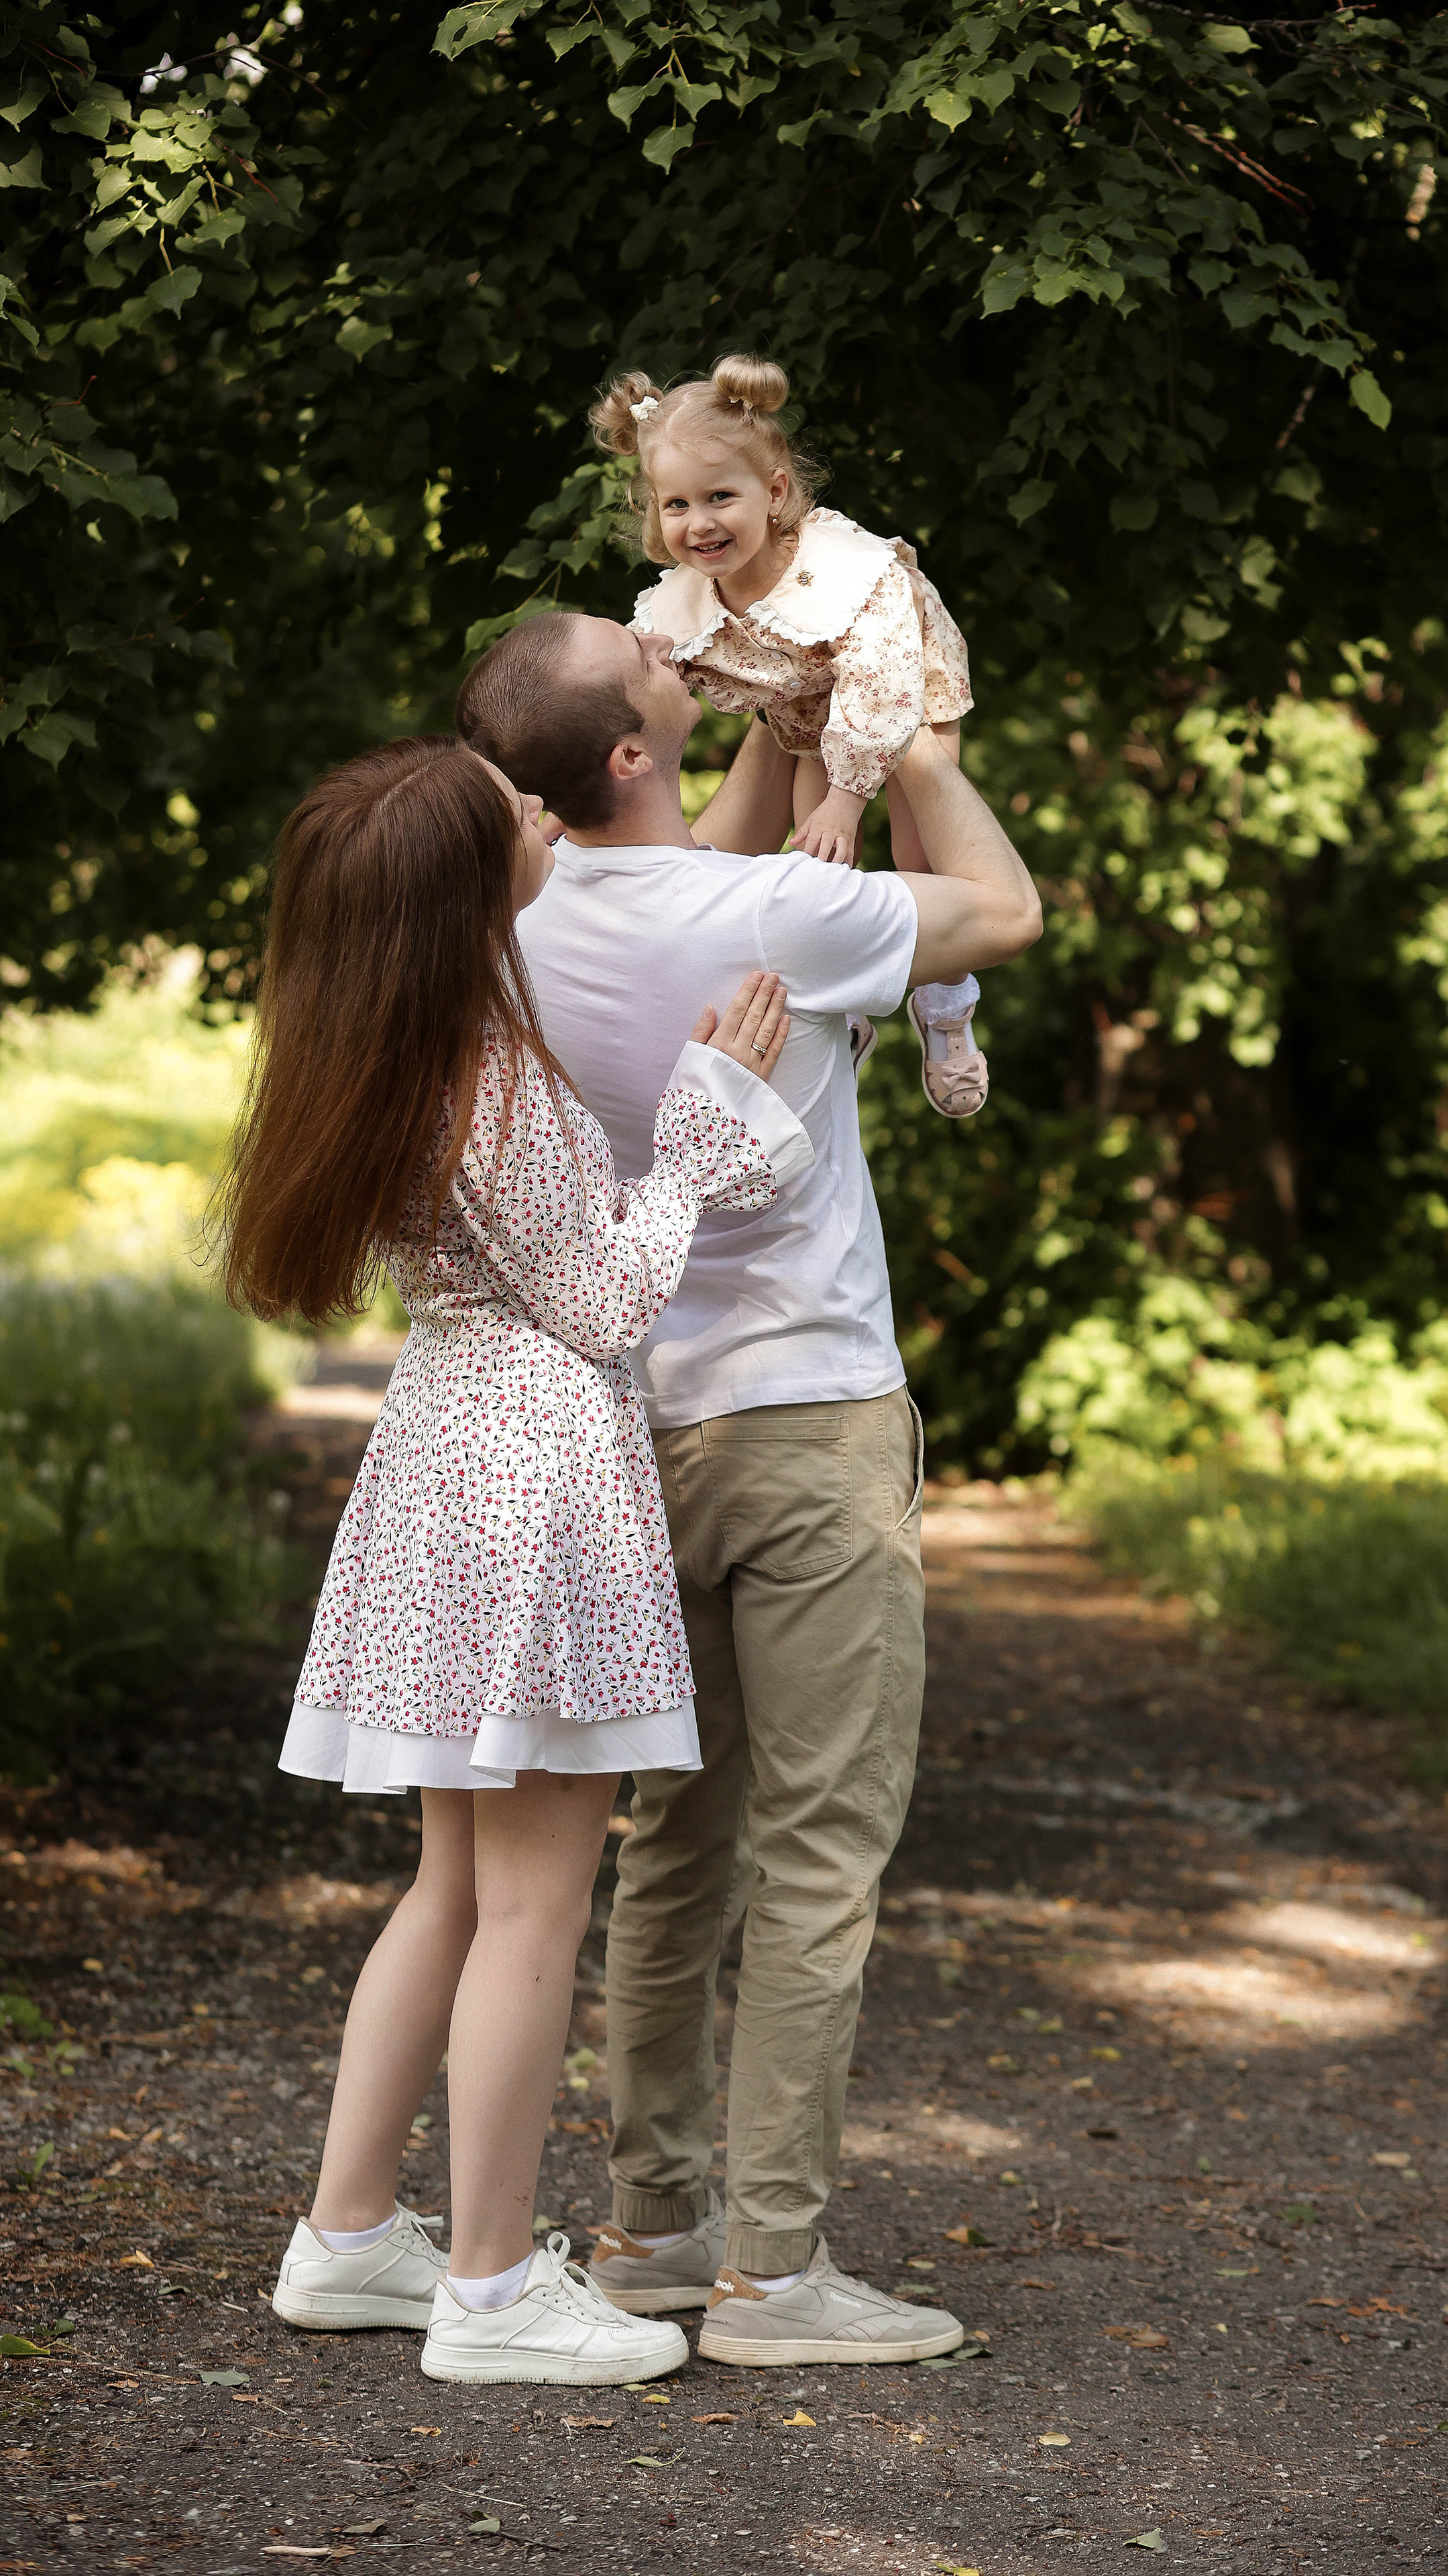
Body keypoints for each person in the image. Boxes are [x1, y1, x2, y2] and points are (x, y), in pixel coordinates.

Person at [456, 610, 1041, 2365]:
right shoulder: (775, 916)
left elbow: (680, 854)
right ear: (633, 752)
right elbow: (1003, 911)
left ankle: (653, 2230)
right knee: (818, 1847)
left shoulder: (520, 919)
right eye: (638, 656)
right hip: (802, 1421)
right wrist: (905, 733)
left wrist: (780, 736)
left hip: (623, 1422)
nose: (664, 638)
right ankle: (775, 2277)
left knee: (674, 1844)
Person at [218, 732, 812, 2385]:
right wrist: (698, 1127)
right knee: (536, 1899)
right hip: (533, 1470)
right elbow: (609, 1303)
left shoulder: (399, 1049)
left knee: (459, 1885)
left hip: (448, 1451)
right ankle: (489, 2291)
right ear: (469, 885)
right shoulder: (489, 1073)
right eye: (513, 814)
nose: (541, 811)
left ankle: (350, 2235)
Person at [592, 352, 990, 1122]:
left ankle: (947, 1000)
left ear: (773, 493)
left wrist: (848, 797)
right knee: (818, 865)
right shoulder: (683, 601)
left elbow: (878, 679)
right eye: (677, 505)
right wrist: (573, 792)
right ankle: (844, 1006)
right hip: (811, 710)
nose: (700, 523)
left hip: (902, 688)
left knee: (921, 857)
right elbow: (635, 691)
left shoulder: (844, 570)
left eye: (720, 497)